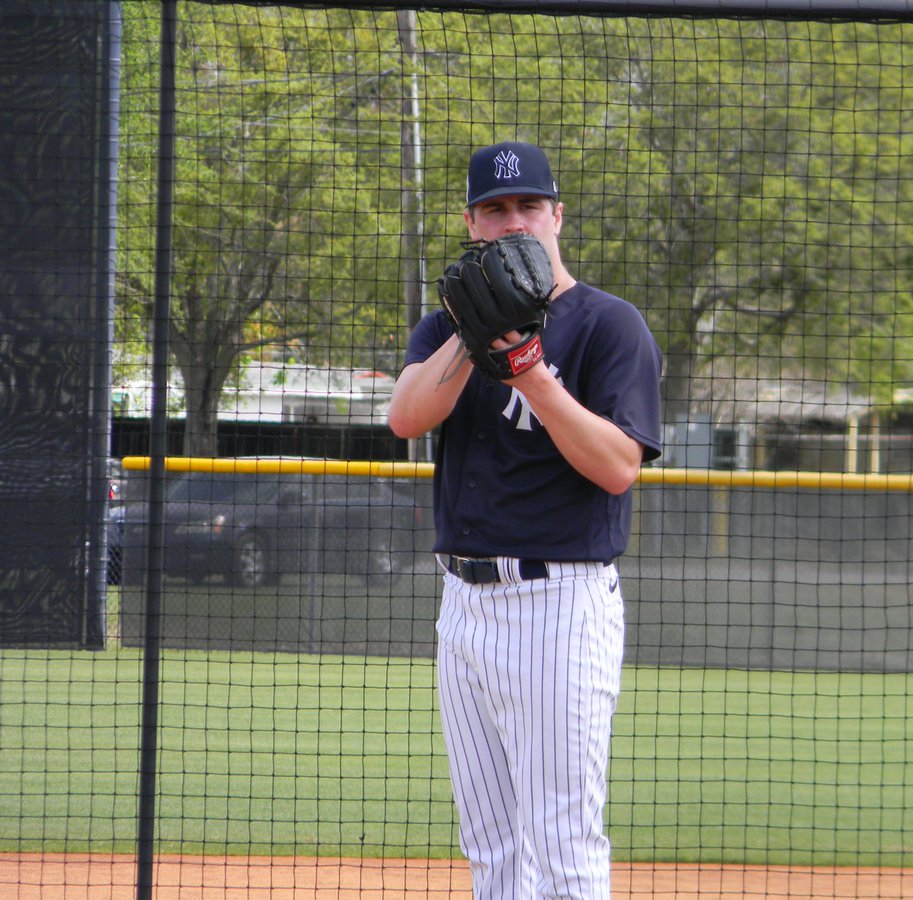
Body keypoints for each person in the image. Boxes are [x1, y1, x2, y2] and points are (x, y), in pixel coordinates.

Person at [387, 140, 663, 899]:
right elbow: (407, 417)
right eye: (495, 209)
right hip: (464, 607)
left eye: (528, 205)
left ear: (557, 215)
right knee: (493, 850)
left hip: (558, 605)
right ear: (471, 222)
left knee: (563, 846)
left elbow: (617, 466)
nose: (514, 222)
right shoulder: (450, 322)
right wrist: (477, 339)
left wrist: (528, 368)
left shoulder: (609, 325)